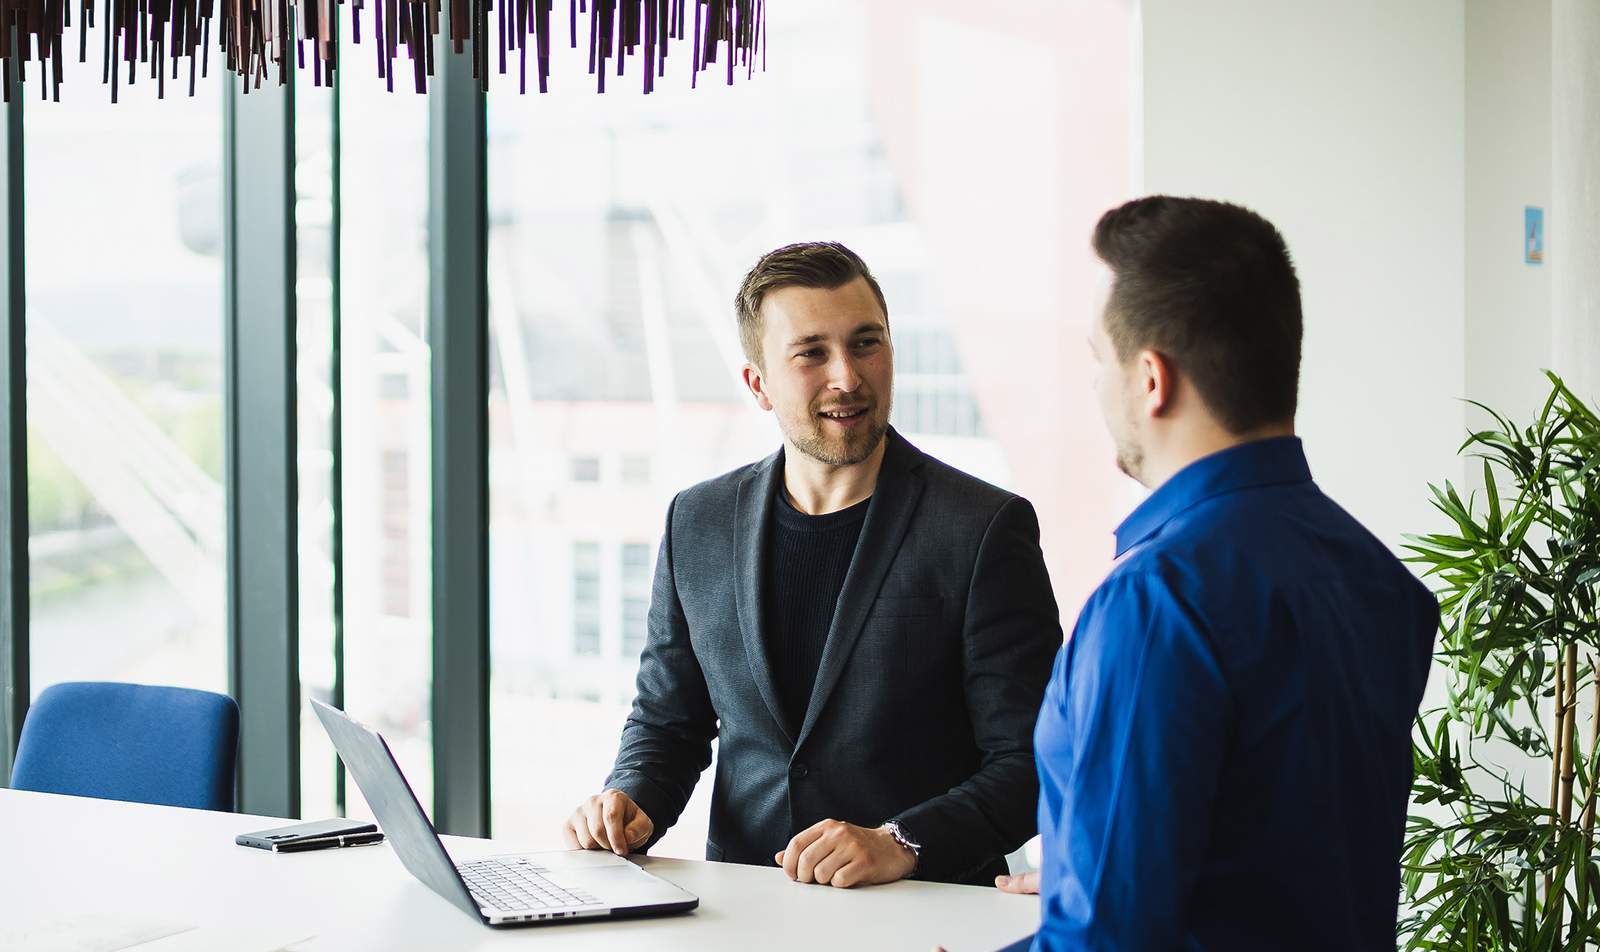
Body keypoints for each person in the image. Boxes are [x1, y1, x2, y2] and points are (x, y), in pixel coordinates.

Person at [991, 197, 1438, 947]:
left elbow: (1109, 942)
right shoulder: (1379, 580)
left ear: (1150, 379)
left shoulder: (1155, 602)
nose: (1098, 387)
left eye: (1100, 360)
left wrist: (1093, 893)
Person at [562, 241, 1063, 888]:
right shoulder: (698, 520)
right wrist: (630, 803)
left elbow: (1033, 760)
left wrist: (901, 842)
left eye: (866, 344)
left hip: (924, 915)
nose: (847, 377)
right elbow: (668, 722)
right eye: (811, 353)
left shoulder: (983, 528)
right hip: (746, 913)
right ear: (758, 383)